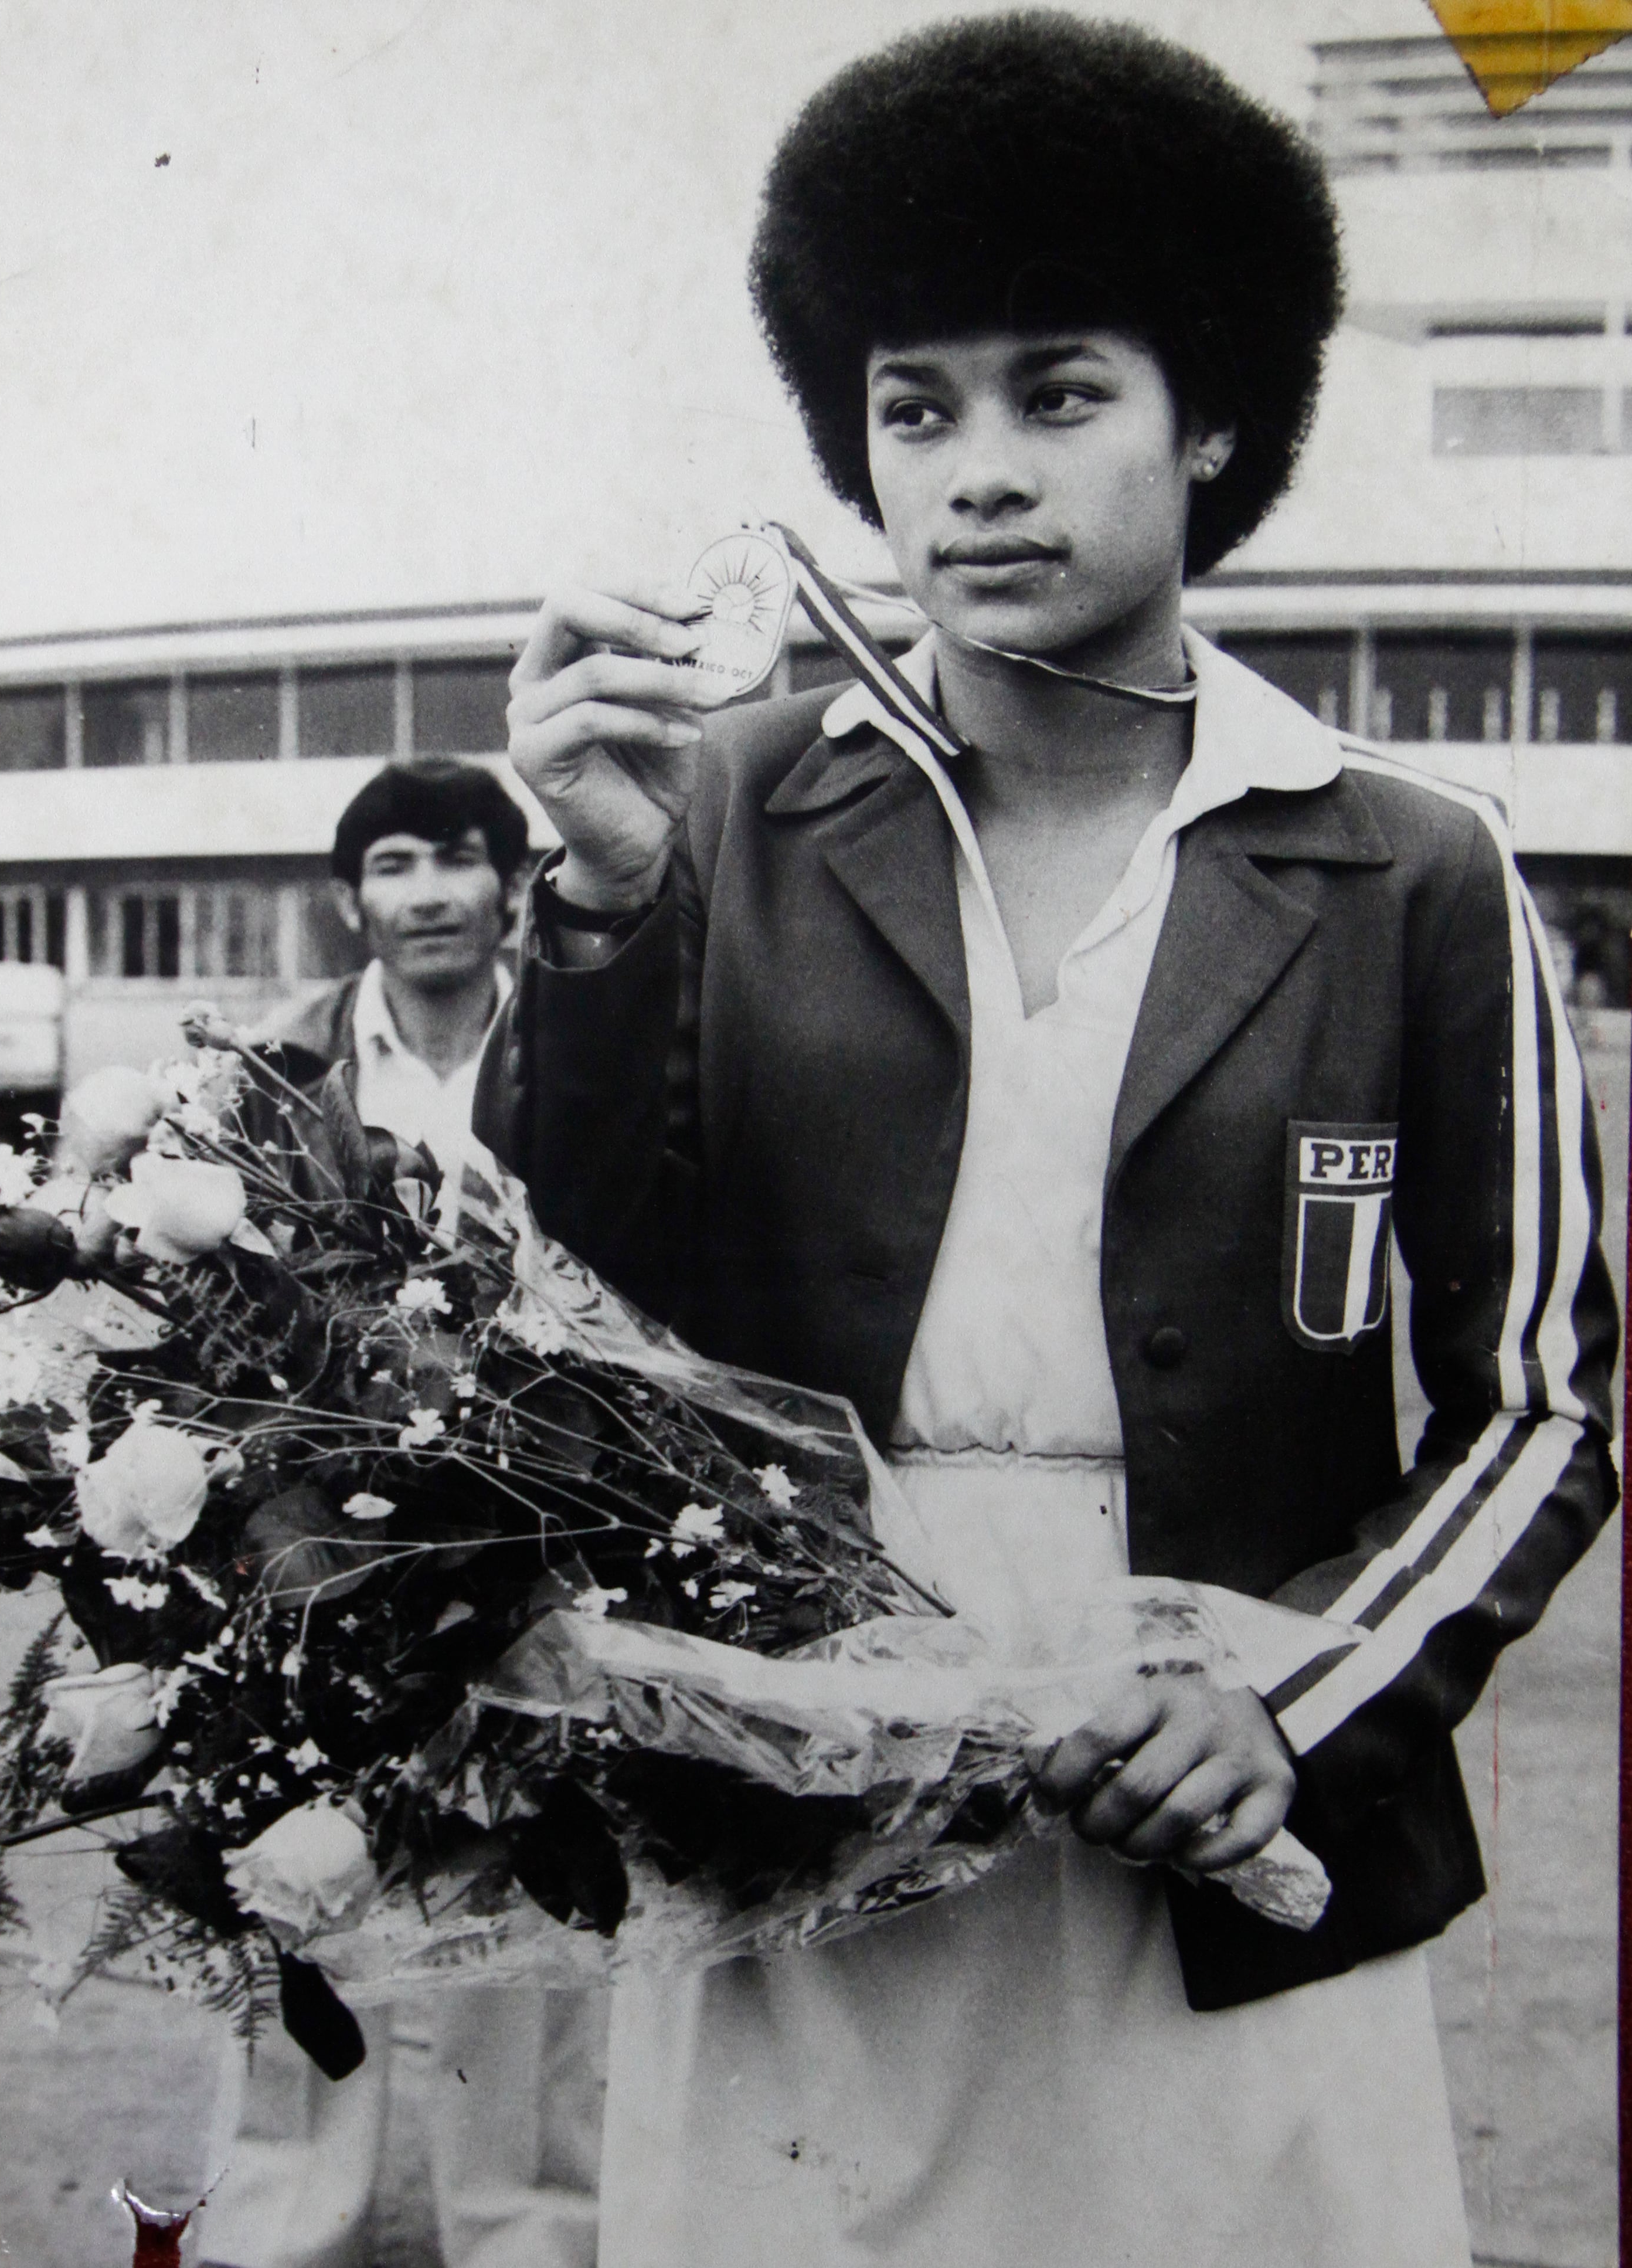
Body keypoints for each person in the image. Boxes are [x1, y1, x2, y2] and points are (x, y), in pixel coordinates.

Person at [485, 17, 1620, 2268]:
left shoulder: (1410, 863)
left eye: (1058, 393)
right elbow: (554, 1311)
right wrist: (600, 908)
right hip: (795, 1752)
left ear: (1213, 418)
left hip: (1214, 1785)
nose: (978, 471)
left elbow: (1545, 1397)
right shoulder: (716, 809)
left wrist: (1295, 1694)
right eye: (916, 409)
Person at [201, 758, 606, 2268]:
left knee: (538, 1863)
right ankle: (280, 2222)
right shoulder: (275, 1067)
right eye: (391, 862)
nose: (425, 889)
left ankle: (533, 2227)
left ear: (512, 883)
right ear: (349, 897)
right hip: (320, 1515)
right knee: (294, 1857)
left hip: (548, 1497)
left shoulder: (583, 1045)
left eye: (455, 856)